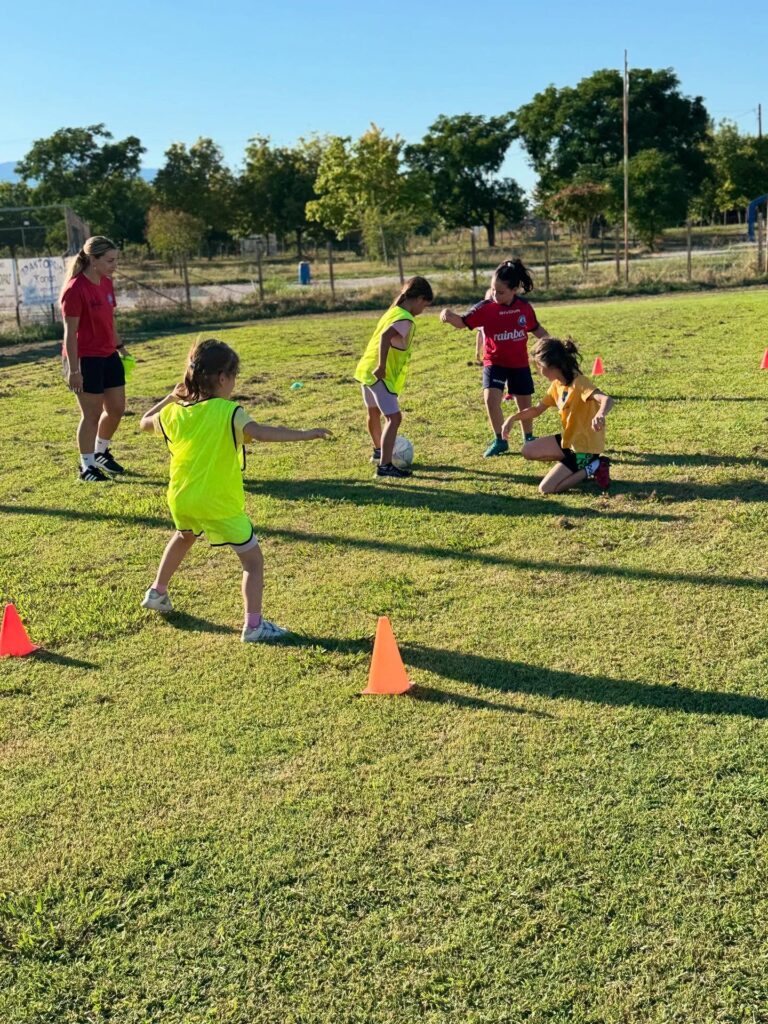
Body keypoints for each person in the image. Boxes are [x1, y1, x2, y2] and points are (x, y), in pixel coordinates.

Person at [139, 339, 331, 642]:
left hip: (182, 499)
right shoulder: (230, 412)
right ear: (223, 378)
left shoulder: (174, 413)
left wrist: (169, 398)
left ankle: (156, 591)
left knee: (184, 536)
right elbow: (262, 433)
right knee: (253, 562)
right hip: (219, 503)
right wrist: (305, 434)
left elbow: (142, 423)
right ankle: (254, 626)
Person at [440, 259, 549, 457]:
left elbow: (536, 329)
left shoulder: (524, 308)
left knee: (524, 402)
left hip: (518, 363)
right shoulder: (485, 308)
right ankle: (500, 440)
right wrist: (448, 314)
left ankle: (529, 438)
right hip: (494, 362)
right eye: (493, 290)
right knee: (491, 399)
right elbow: (463, 322)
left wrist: (551, 342)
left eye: (501, 292)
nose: (495, 295)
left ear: (515, 289)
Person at [502, 337, 613, 493]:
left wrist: (601, 414)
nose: (539, 371)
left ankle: (594, 466)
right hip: (569, 441)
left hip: (584, 448)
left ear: (552, 366)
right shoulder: (557, 385)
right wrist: (512, 418)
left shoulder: (580, 383)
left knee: (546, 488)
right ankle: (571, 466)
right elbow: (537, 410)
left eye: (539, 366)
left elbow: (606, 399)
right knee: (528, 450)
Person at [60, 235, 130, 482]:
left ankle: (101, 453)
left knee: (116, 408)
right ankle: (86, 467)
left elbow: (109, 319)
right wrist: (74, 370)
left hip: (108, 354)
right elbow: (70, 334)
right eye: (110, 260)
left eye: (115, 260)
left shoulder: (106, 283)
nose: (114, 265)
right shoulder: (75, 290)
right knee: (91, 415)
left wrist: (119, 345)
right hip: (85, 359)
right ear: (93, 259)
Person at [354, 276, 433, 478]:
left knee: (373, 413)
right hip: (380, 373)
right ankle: (385, 466)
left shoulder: (392, 311)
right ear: (419, 298)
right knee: (394, 418)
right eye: (425, 305)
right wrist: (381, 365)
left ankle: (378, 452)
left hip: (365, 370)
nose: (423, 310)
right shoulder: (405, 318)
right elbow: (385, 337)